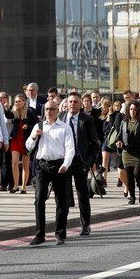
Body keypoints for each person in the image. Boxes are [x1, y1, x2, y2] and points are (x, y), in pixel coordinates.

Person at [25, 100, 74, 245]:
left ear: (57, 110)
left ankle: (60, 233)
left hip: (60, 165)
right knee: (39, 199)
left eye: (52, 109)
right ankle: (39, 234)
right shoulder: (38, 126)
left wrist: (65, 165)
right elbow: (28, 146)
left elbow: (70, 149)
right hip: (42, 166)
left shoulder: (65, 128)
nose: (49, 111)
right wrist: (34, 136)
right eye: (46, 109)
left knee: (62, 201)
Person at [62, 93, 100, 235]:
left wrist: (89, 162)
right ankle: (62, 227)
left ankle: (85, 225)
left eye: (75, 102)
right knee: (63, 195)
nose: (72, 104)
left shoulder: (87, 119)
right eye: (70, 101)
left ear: (80, 104)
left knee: (82, 194)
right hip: (64, 161)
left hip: (80, 161)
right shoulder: (61, 117)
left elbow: (95, 144)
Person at [116, 101, 140, 205]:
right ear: (128, 110)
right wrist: (119, 142)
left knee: (137, 173)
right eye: (131, 109)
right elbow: (119, 136)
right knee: (130, 176)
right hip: (127, 153)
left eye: (135, 109)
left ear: (138, 111)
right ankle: (132, 197)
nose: (132, 111)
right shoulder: (124, 122)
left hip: (139, 153)